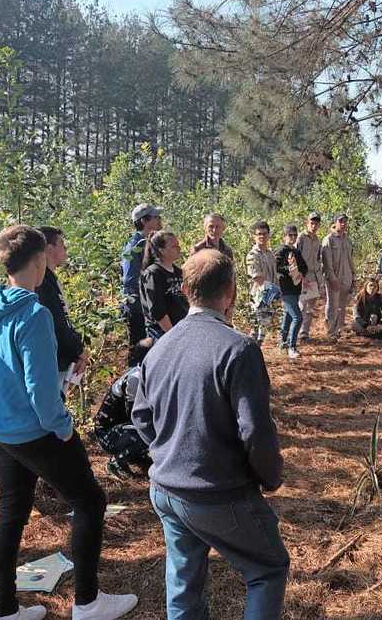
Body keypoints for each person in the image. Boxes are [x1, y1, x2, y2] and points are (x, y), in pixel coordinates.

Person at [0, 225, 138, 620]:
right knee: (90, 501)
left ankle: (6, 611)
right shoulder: (33, 314)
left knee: (12, 511)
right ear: (39, 259)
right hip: (36, 430)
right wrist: (63, 428)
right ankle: (88, 602)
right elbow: (41, 388)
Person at [131, 249, 289, 620]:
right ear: (231, 292)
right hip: (217, 494)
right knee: (267, 569)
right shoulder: (239, 349)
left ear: (186, 290)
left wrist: (169, 455)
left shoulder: (159, 349)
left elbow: (140, 415)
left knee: (184, 579)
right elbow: (256, 432)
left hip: (166, 491)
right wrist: (270, 477)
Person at [35, 226, 88, 390]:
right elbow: (56, 323)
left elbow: (64, 320)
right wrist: (79, 351)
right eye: (62, 245)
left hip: (63, 360)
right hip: (52, 363)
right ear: (49, 249)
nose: (65, 250)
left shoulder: (50, 279)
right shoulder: (41, 283)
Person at [93, 339, 154, 479]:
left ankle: (135, 455)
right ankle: (117, 462)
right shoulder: (135, 378)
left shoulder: (144, 374)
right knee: (144, 428)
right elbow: (135, 416)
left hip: (121, 429)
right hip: (107, 435)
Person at [121, 204, 163, 360]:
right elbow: (130, 281)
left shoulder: (149, 242)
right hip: (138, 310)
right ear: (144, 221)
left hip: (147, 309)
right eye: (156, 217)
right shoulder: (134, 246)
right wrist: (145, 305)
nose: (160, 220)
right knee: (139, 353)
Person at [139, 231, 188, 341]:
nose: (178, 248)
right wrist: (173, 336)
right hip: (162, 334)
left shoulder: (179, 272)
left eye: (178, 245)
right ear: (161, 250)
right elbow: (158, 311)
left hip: (181, 329)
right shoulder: (153, 274)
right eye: (173, 246)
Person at [275, 225, 309, 358]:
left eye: (295, 235)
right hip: (285, 289)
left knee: (288, 316)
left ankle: (282, 342)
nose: (293, 238)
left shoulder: (295, 250)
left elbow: (304, 267)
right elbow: (276, 266)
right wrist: (290, 270)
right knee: (297, 317)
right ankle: (292, 346)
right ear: (284, 236)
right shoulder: (281, 250)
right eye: (290, 235)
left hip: (295, 288)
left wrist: (300, 272)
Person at [321, 213, 355, 340]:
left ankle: (339, 328)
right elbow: (326, 262)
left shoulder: (348, 239)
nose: (343, 223)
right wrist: (332, 278)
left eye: (345, 221)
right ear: (335, 222)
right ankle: (331, 331)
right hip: (334, 278)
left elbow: (351, 259)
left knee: (342, 304)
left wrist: (353, 276)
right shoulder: (328, 240)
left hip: (347, 277)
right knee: (333, 304)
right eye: (341, 221)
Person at [246, 220, 279, 343]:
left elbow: (274, 275)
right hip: (259, 298)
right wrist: (273, 290)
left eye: (264, 233)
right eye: (259, 234)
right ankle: (248, 358)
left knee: (263, 331)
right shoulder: (252, 255)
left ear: (268, 235)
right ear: (254, 236)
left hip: (270, 297)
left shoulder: (270, 254)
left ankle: (252, 357)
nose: (262, 236)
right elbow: (256, 277)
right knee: (256, 331)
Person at [294, 212, 324, 341]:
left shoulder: (317, 240)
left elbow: (318, 259)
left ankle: (304, 333)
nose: (314, 226)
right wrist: (298, 275)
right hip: (302, 275)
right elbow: (294, 256)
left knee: (310, 307)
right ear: (307, 223)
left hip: (314, 276)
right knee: (301, 304)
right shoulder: (301, 237)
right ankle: (295, 332)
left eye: (316, 223)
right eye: (312, 223)